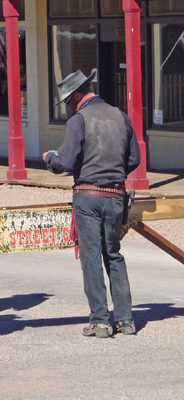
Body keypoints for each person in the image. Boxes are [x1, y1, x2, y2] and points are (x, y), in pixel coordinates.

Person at [43, 70, 141, 338]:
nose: (67, 106)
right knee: (114, 255)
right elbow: (134, 160)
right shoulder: (121, 116)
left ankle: (100, 321)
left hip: (88, 196)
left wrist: (50, 158)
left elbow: (66, 162)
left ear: (77, 95)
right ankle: (125, 320)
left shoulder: (79, 121)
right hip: (116, 197)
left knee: (91, 257)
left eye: (67, 101)